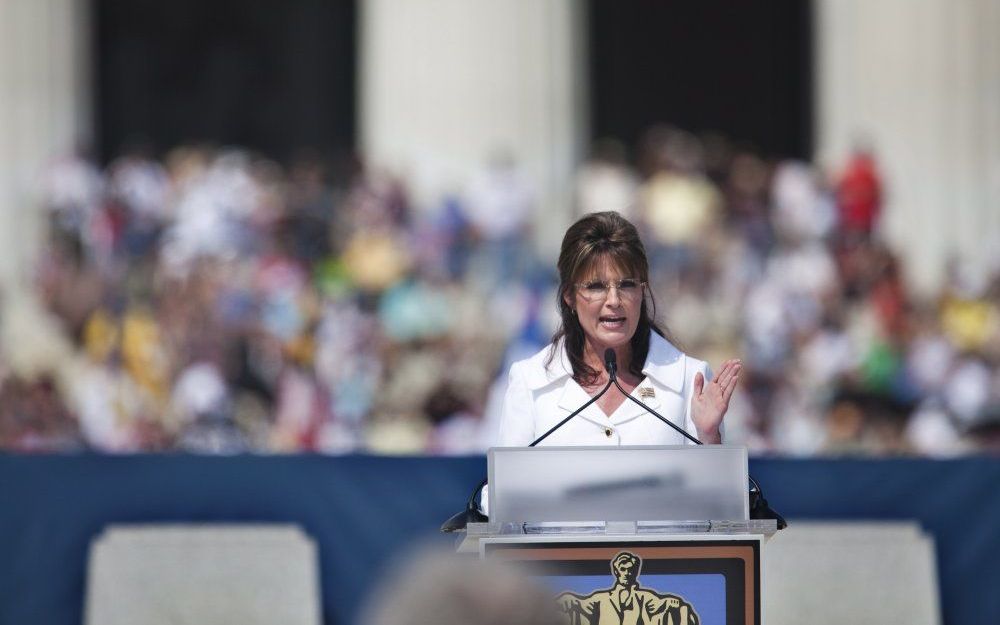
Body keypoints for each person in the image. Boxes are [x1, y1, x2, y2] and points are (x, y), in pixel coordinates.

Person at [497, 211, 740, 447]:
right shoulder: (530, 382)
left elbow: (713, 487)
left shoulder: (690, 380)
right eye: (596, 286)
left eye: (626, 285)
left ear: (642, 291)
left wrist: (709, 437)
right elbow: (502, 485)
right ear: (569, 295)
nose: (614, 300)